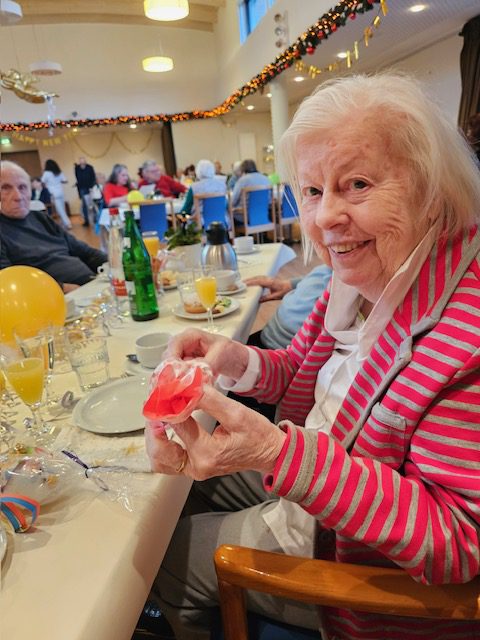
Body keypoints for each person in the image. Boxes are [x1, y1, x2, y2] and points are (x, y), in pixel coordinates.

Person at [145, 73, 480, 640]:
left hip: (355, 560)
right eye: (313, 190)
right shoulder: (357, 272)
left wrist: (278, 452)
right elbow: (298, 372)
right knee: (178, 494)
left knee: (162, 556)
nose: (325, 218)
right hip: (316, 475)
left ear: (431, 188)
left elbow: (456, 543)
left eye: (357, 184)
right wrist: (232, 359)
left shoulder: (466, 331)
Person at [0, 161, 107, 292]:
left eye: (22, 187)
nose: (18, 196)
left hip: (93, 286)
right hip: (55, 297)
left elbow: (85, 251)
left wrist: (115, 264)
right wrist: (62, 288)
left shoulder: (41, 218)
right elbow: (8, 281)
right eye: (5, 188)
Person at [180, 159, 228, 228]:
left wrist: (181, 217)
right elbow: (226, 204)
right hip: (223, 223)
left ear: (198, 172)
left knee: (181, 219)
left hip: (201, 224)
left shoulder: (194, 187)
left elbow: (185, 210)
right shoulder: (222, 185)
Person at [41, 158, 71, 230]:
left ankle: (67, 223)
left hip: (53, 193)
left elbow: (42, 182)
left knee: (60, 209)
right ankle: (63, 223)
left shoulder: (46, 173)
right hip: (60, 191)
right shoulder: (59, 172)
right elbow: (65, 181)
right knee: (62, 208)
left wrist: (48, 185)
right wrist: (58, 181)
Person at [74, 156, 97, 227]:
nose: (82, 163)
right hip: (82, 188)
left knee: (93, 203)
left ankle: (95, 218)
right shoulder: (77, 168)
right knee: (84, 205)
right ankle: (86, 221)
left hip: (90, 187)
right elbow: (77, 178)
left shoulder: (90, 167)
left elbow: (93, 177)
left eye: (83, 161)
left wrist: (91, 187)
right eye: (81, 161)